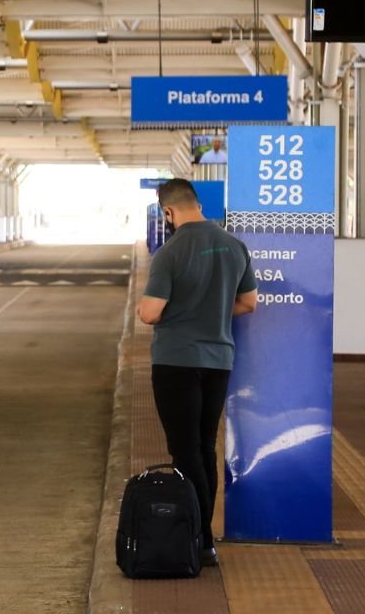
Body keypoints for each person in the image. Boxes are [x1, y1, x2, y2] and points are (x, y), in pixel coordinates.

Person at [137, 179, 257, 568]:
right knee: (205, 447)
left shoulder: (171, 252)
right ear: (198, 204)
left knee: (184, 450)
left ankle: (198, 538)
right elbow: (248, 303)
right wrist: (213, 314)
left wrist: (170, 314)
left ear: (167, 212)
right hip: (218, 361)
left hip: (176, 362)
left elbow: (150, 312)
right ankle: (204, 537)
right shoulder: (234, 246)